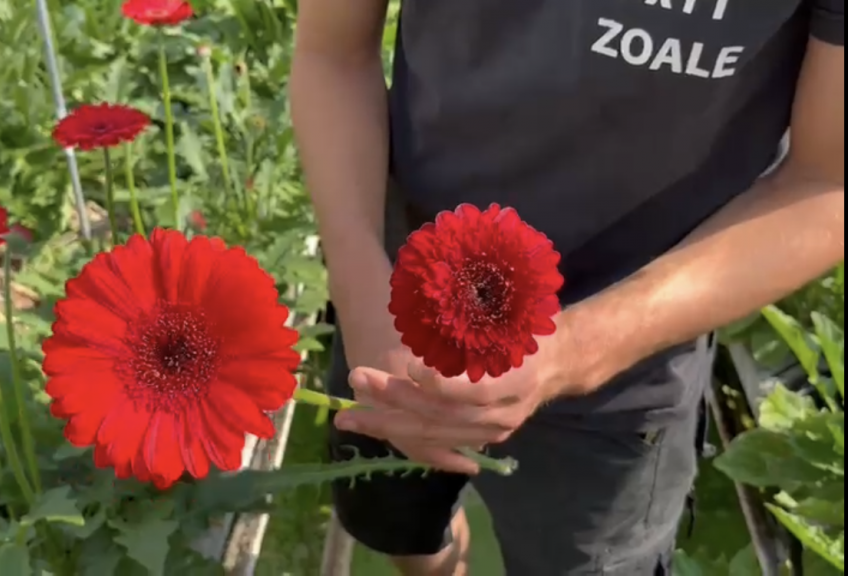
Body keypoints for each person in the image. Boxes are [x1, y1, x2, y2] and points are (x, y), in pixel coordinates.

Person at [289, 1, 844, 574]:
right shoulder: (376, 296)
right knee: (401, 525)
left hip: (627, 372)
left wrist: (577, 348)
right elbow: (334, 52)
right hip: (395, 304)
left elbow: (828, 182)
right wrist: (359, 282)